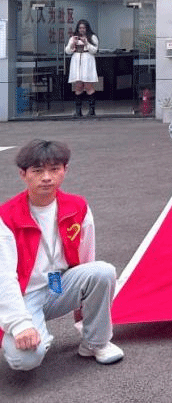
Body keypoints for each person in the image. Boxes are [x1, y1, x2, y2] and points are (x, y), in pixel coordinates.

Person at [1, 139, 123, 370]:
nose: (47, 177)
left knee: (102, 272)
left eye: (54, 169)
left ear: (65, 170)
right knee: (24, 360)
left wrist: (84, 313)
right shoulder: (6, 217)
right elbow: (3, 277)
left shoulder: (78, 206)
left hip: (58, 286)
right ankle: (31, 331)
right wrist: (19, 324)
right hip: (25, 295)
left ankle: (96, 343)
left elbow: (87, 259)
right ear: (23, 174)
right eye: (38, 171)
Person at [65, 19, 99, 117]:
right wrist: (72, 44)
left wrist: (86, 43)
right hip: (76, 61)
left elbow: (94, 50)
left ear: (87, 28)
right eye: (80, 28)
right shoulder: (74, 37)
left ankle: (91, 111)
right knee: (78, 86)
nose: (82, 30)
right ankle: (78, 111)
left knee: (88, 85)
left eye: (84, 28)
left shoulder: (92, 37)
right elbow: (67, 51)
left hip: (87, 60)